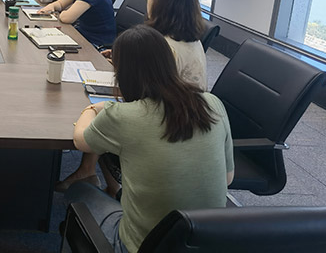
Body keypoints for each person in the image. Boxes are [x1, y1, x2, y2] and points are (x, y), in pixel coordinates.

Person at [63, 25, 233, 252]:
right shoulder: (212, 103)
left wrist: (92, 109)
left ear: (122, 73)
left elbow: (80, 141)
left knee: (79, 190)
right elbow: (228, 178)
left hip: (142, 246)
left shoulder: (123, 116)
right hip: (206, 241)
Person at [147, 0, 207, 90]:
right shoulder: (192, 41)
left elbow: (147, 91)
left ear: (161, 4)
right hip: (190, 100)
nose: (147, 0)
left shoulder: (166, 48)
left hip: (172, 101)